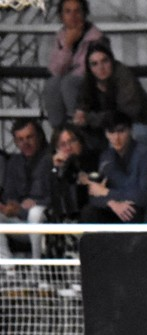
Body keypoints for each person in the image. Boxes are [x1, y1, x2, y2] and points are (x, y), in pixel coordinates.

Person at [74, 40, 147, 153]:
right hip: (109, 131)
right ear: (89, 68)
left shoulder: (125, 77)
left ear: (112, 61)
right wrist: (80, 116)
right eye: (94, 64)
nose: (101, 68)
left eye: (105, 61)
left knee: (118, 135)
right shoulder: (88, 82)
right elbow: (82, 109)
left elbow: (123, 117)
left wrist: (89, 119)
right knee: (76, 137)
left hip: (144, 129)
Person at [79, 111, 147, 224]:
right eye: (111, 132)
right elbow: (94, 195)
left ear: (130, 130)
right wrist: (111, 203)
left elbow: (144, 196)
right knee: (89, 212)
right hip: (115, 208)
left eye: (121, 131)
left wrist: (108, 193)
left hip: (140, 210)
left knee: (131, 211)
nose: (116, 137)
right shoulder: (106, 157)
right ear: (106, 134)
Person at [44, 0, 107, 132]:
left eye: (77, 11)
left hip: (94, 86)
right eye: (68, 11)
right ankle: (58, 131)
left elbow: (91, 70)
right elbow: (55, 70)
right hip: (68, 82)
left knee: (69, 82)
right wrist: (68, 45)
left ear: (84, 14)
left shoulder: (96, 38)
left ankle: (78, 129)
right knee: (52, 83)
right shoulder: (61, 37)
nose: (73, 15)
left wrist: (68, 70)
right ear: (61, 17)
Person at [0, 119, 50, 260]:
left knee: (35, 212)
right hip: (21, 220)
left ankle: (37, 267)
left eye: (29, 137)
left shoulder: (51, 159)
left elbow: (55, 197)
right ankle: (8, 268)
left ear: (39, 136)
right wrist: (10, 206)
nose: (25, 143)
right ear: (15, 142)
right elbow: (8, 194)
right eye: (20, 139)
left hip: (46, 222)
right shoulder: (14, 162)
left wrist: (26, 208)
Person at [47, 121, 97, 223]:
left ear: (80, 141)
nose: (68, 147)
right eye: (63, 144)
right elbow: (51, 195)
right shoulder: (54, 166)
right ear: (56, 148)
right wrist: (56, 169)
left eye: (72, 141)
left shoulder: (94, 159)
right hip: (66, 215)